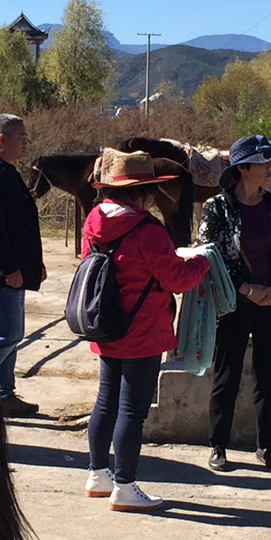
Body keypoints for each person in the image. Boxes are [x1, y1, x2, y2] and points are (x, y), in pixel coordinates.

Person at [80, 149, 211, 513]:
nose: (154, 197)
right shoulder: (148, 230)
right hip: (143, 329)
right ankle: (125, 484)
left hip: (105, 323)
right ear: (141, 193)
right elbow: (177, 279)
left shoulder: (93, 221)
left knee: (106, 402)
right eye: (151, 190)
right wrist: (201, 261)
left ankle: (98, 474)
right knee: (132, 411)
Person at [197, 134, 271, 472]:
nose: (269, 167)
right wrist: (245, 288)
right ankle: (218, 446)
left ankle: (267, 448)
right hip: (233, 304)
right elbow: (210, 255)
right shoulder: (217, 208)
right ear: (243, 168)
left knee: (268, 377)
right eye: (262, 162)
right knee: (226, 375)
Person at [0, 113, 46, 417]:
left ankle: (3, 394)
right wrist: (8, 268)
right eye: (21, 137)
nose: (26, 143)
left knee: (12, 336)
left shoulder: (9, 172)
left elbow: (22, 223)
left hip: (16, 270)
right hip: (0, 274)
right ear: (2, 139)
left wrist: (34, 264)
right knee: (8, 334)